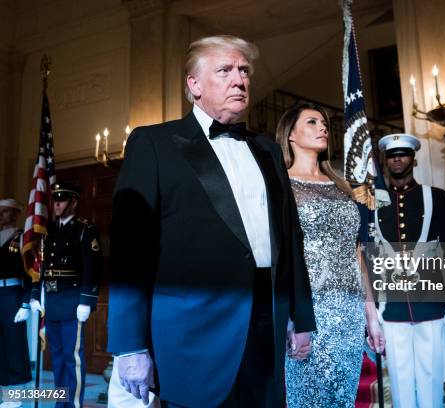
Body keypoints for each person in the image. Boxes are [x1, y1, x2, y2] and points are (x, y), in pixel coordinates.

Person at [108, 35, 316, 408]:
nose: (240, 80)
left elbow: (290, 238)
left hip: (267, 330)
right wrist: (129, 346)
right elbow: (129, 253)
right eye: (225, 70)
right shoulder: (154, 144)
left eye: (244, 71)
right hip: (192, 340)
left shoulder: (267, 148)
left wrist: (301, 317)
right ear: (194, 85)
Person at [276, 102, 384, 407]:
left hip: (349, 315)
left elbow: (357, 254)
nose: (323, 127)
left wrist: (371, 317)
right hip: (308, 312)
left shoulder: (342, 187)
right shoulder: (280, 186)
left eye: (324, 123)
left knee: (343, 399)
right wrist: (290, 319)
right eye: (312, 122)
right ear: (291, 135)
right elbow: (281, 257)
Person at [374, 134, 445, 408]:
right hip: (391, 300)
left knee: (431, 371)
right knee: (398, 374)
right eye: (391, 155)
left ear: (413, 158)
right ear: (385, 161)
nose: (397, 159)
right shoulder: (373, 202)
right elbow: (368, 252)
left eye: (403, 153)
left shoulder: (437, 197)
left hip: (430, 296)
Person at [29, 183, 101, 408]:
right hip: (52, 299)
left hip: (72, 299)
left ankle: (74, 405)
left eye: (62, 199)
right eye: (55, 199)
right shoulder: (49, 230)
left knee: (73, 359)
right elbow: (41, 265)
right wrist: (35, 294)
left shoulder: (84, 229)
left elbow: (92, 267)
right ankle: (61, 403)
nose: (57, 204)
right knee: (58, 356)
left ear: (74, 203)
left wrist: (86, 300)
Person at [0, 199, 31, 408]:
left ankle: (14, 396)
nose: (1, 215)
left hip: (12, 293)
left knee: (14, 345)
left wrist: (26, 301)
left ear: (15, 214)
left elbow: (30, 272)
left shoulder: (21, 238)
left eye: (5, 212)